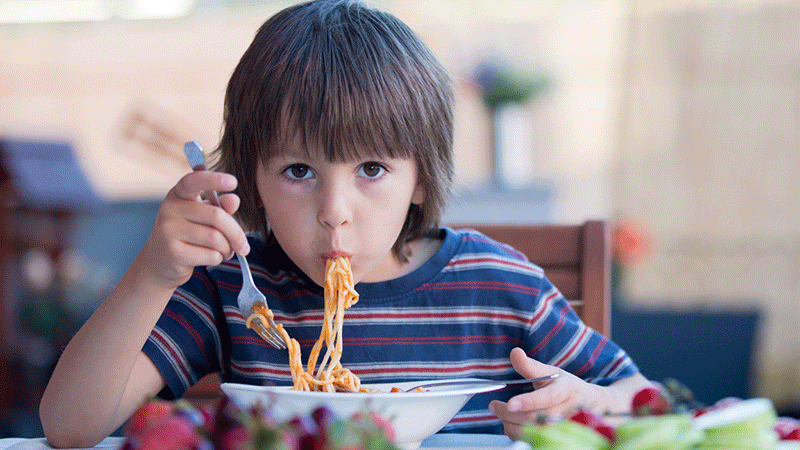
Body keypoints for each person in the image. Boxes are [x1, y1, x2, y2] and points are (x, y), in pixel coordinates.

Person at [39, 0, 653, 446]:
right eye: (299, 170)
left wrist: (587, 403)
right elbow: (70, 427)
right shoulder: (233, 289)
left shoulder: (497, 286)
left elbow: (643, 403)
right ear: (251, 177)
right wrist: (153, 274)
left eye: (372, 168)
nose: (335, 210)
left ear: (420, 180)